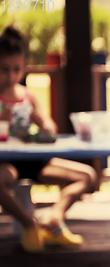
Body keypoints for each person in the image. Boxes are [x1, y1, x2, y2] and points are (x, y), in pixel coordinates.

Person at [0, 26, 97, 252]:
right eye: (4, 69)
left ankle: (54, 218)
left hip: (36, 161)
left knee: (88, 176)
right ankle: (28, 222)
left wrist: (43, 123)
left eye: (17, 69)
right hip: (7, 163)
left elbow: (51, 132)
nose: (11, 76)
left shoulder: (28, 97)